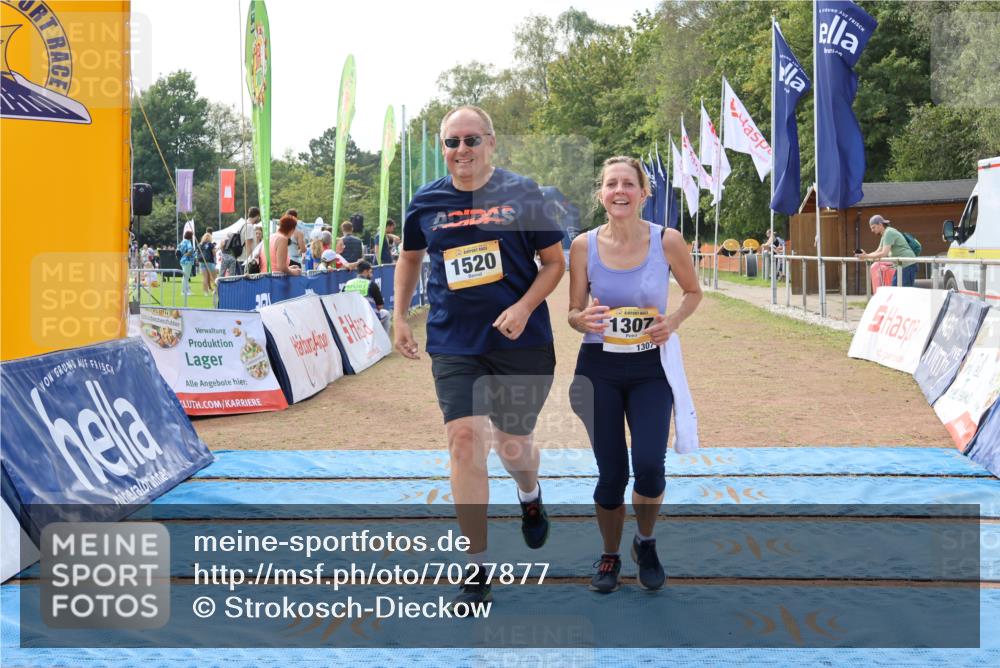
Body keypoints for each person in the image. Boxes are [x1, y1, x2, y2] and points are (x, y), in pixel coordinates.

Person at [393, 105, 566, 611]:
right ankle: (477, 565)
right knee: (465, 441)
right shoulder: (426, 202)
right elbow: (409, 258)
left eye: (472, 140)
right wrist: (400, 317)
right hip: (454, 343)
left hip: (521, 341)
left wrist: (524, 304)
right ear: (442, 149)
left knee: (514, 448)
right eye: (452, 142)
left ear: (491, 143)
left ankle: (530, 497)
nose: (462, 150)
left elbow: (553, 263)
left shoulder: (523, 194)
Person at [567, 156, 702, 593]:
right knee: (611, 473)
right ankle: (609, 555)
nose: (620, 191)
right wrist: (581, 319)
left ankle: (645, 541)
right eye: (611, 184)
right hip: (599, 369)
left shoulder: (668, 240)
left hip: (650, 369)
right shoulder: (583, 246)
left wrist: (673, 320)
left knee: (649, 466)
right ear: (601, 194)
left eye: (629, 184)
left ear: (644, 193)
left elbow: (693, 292)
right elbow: (572, 313)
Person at [856, 214, 917, 290]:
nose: (872, 230)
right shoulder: (885, 234)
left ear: (880, 224)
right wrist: (865, 255)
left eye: (873, 227)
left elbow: (884, 253)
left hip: (907, 264)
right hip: (901, 265)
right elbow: (878, 251)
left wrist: (866, 256)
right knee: (895, 291)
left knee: (903, 292)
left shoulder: (888, 232)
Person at [344, 260, 391, 332]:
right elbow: (380, 306)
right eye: (370, 272)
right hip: (368, 319)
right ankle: (384, 341)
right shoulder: (371, 284)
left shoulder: (348, 283)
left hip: (350, 318)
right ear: (365, 271)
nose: (371, 275)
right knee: (386, 314)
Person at [177, 230, 196, 296]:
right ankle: (184, 291)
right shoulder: (188, 242)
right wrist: (187, 255)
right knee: (186, 276)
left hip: (182, 261)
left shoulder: (182, 242)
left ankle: (187, 290)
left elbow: (177, 251)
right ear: (190, 236)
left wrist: (182, 256)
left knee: (186, 276)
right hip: (187, 261)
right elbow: (190, 250)